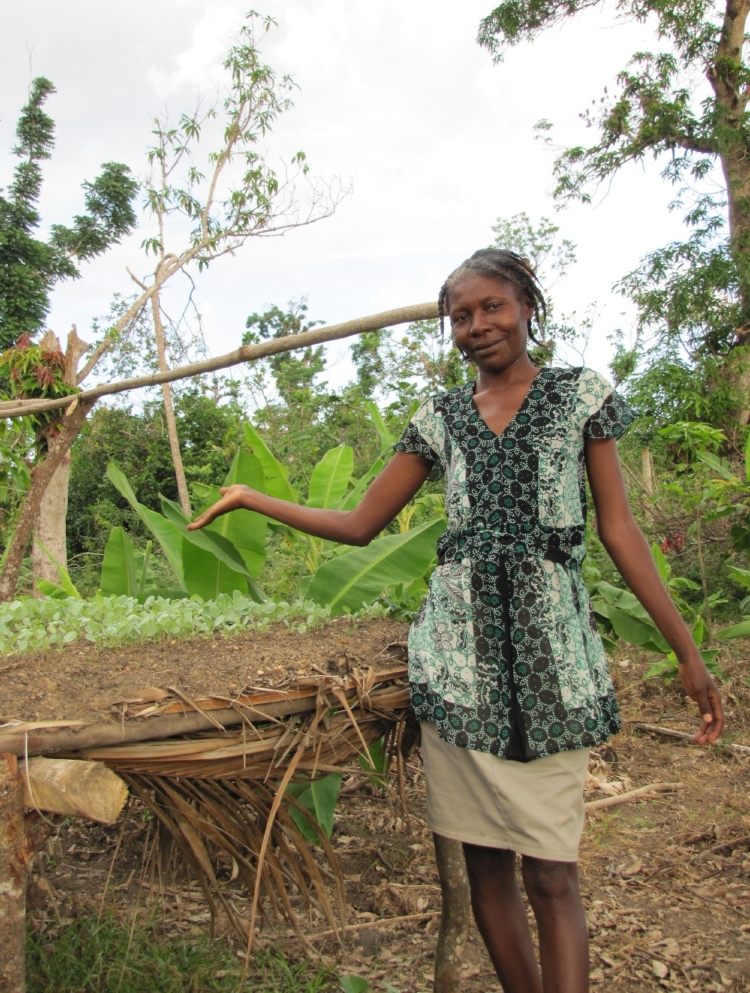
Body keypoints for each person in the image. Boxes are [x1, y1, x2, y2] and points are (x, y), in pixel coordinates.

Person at [187, 248, 723, 993]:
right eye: (461, 316)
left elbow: (620, 530)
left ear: (528, 306)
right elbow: (360, 523)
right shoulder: (439, 416)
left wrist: (687, 653)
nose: (477, 326)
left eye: (492, 307)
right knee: (485, 869)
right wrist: (251, 496)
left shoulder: (580, 395)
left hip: (551, 666)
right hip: (458, 661)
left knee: (554, 875)